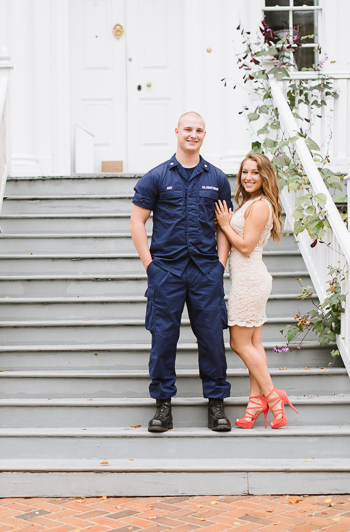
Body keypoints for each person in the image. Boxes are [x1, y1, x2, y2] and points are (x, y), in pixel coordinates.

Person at [130, 111, 233, 433]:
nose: (193, 134)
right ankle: (163, 405)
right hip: (167, 271)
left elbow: (223, 226)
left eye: (199, 130)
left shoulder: (216, 179)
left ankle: (216, 404)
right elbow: (137, 222)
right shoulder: (157, 177)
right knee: (163, 338)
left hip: (205, 271)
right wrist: (150, 265)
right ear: (177, 131)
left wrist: (220, 265)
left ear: (205, 134)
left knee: (212, 339)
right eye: (188, 129)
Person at [214, 152, 299, 429]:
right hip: (248, 278)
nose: (248, 177)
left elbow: (247, 246)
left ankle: (274, 398)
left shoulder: (260, 205)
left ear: (265, 177)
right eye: (245, 172)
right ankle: (254, 403)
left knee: (239, 344)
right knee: (253, 344)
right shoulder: (249, 203)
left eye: (255, 173)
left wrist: (225, 225)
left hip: (250, 280)